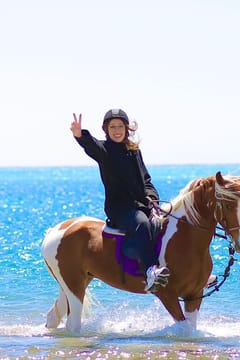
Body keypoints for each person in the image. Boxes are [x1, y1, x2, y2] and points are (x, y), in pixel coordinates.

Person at [71, 109, 169, 293]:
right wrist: (80, 135)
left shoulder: (134, 151)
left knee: (170, 223)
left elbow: (146, 180)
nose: (117, 130)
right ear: (106, 130)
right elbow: (92, 146)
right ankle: (151, 271)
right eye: (112, 127)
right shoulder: (104, 150)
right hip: (121, 209)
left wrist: (153, 199)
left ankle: (189, 274)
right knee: (142, 224)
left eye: (120, 126)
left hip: (143, 205)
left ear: (126, 128)